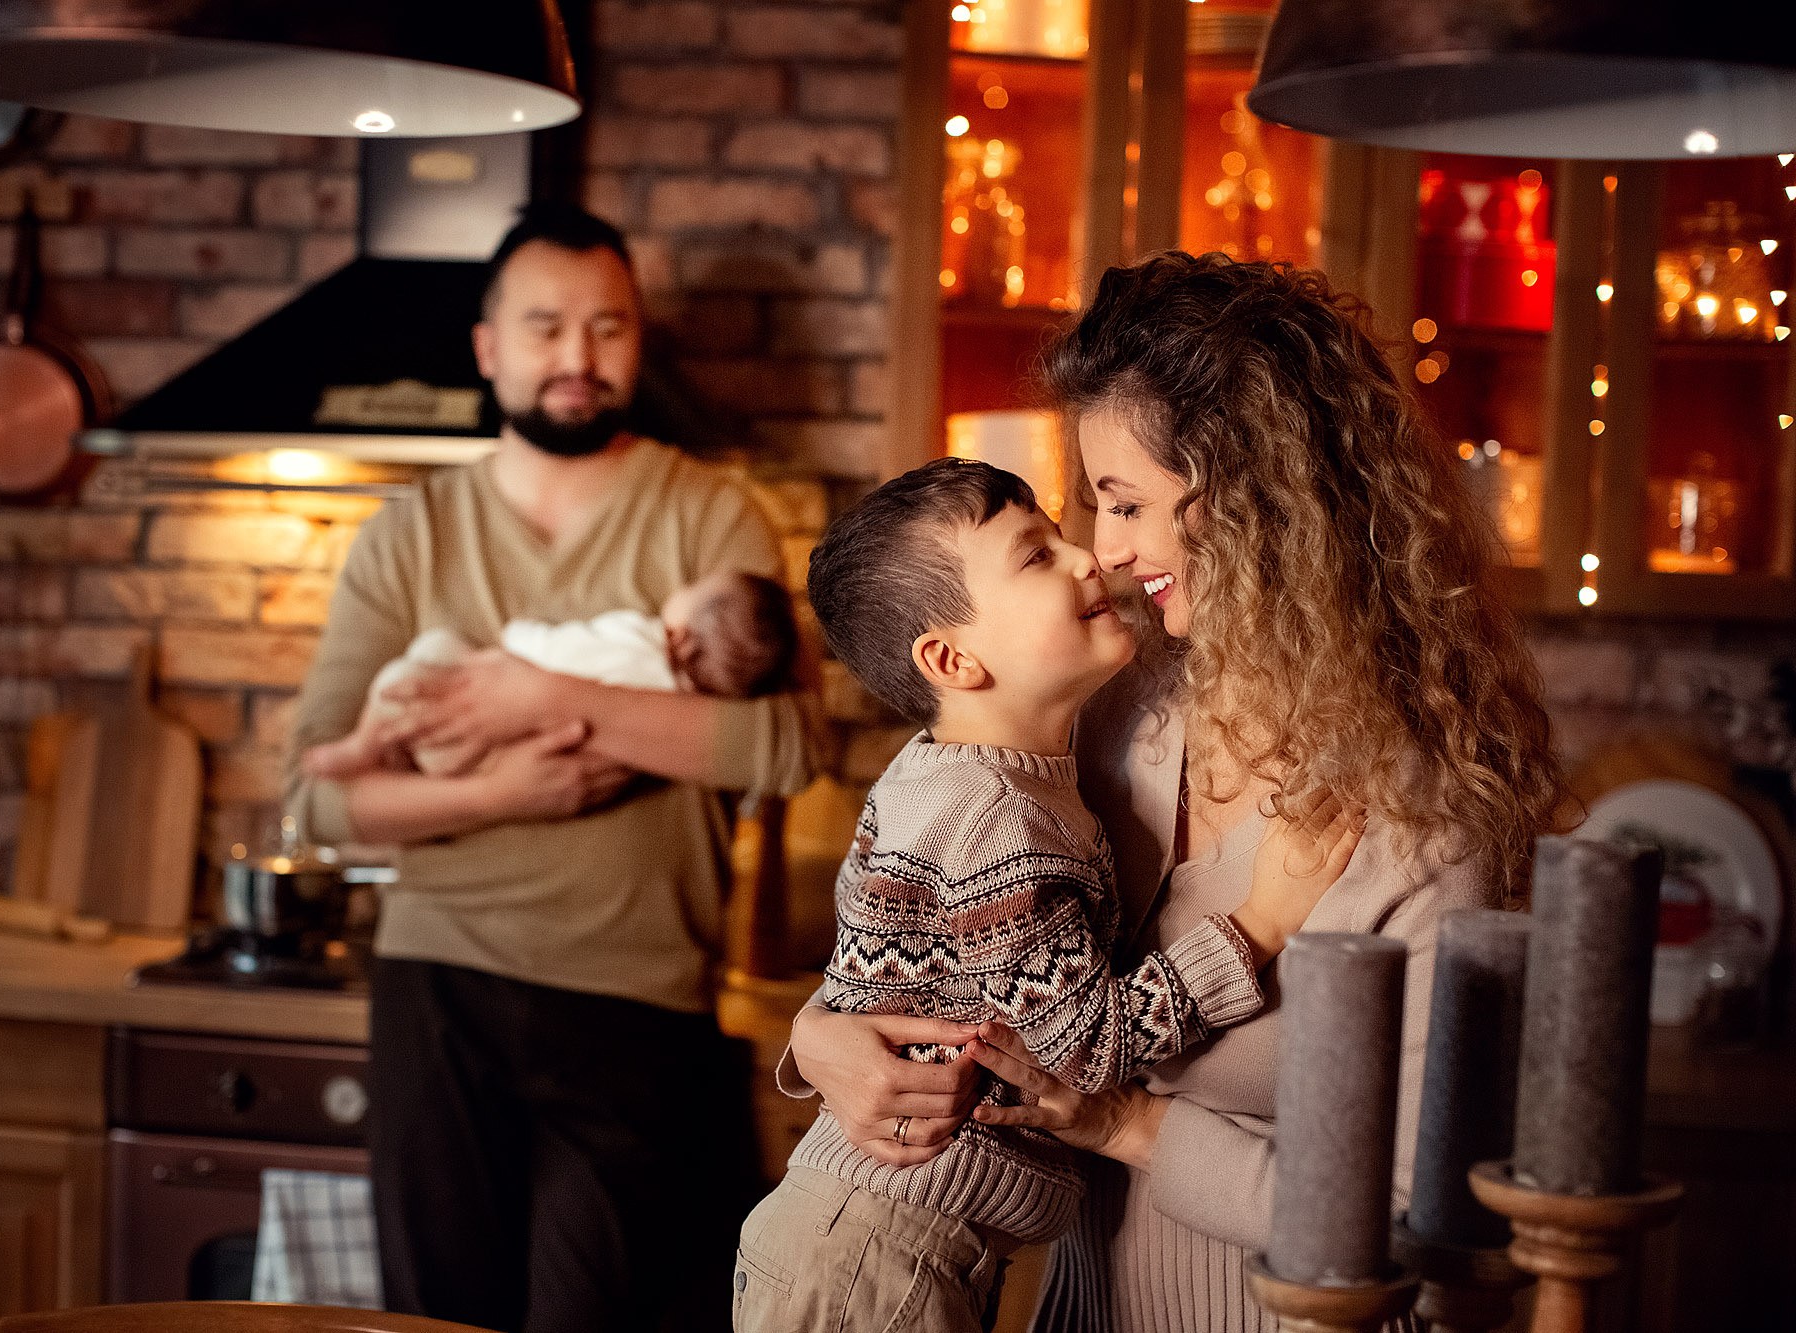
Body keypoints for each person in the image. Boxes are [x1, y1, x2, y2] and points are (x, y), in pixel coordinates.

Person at [780, 252, 1562, 1331]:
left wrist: (1125, 1127)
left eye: (1125, 502)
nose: (1101, 550)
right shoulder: (1103, 714)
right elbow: (955, 939)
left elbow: (1419, 1222)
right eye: (1089, 507)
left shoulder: (1422, 824)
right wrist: (820, 1033)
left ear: (1256, 497)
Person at [282, 203, 817, 1333]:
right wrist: (497, 793)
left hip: (635, 999)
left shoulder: (707, 513)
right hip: (439, 993)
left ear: (635, 341)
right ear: (488, 348)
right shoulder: (409, 534)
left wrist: (544, 700)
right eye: (545, 327)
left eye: (606, 328)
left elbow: (779, 747)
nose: (577, 357)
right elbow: (320, 796)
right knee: (442, 1324)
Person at [733, 459, 1360, 1333]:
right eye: (1035, 557)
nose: (1085, 558)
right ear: (953, 658)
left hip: (889, 1234)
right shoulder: (997, 819)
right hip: (879, 1255)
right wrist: (1257, 925)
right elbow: (1084, 1047)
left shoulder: (947, 775)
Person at [305, 569, 799, 777]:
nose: (681, 584)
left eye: (693, 585)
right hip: (476, 758)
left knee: (431, 648)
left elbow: (566, 649)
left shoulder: (638, 637)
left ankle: (364, 745)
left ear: (686, 634)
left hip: (458, 712)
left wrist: (517, 638)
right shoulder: (679, 708)